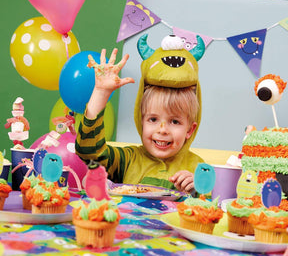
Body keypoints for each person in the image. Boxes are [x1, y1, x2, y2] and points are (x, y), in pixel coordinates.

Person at [75, 35, 206, 193]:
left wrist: (198, 188)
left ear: (190, 130)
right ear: (141, 120)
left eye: (175, 122)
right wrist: (101, 92)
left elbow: (209, 210)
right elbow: (89, 152)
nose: (162, 129)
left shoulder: (198, 169)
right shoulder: (129, 160)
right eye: (153, 119)